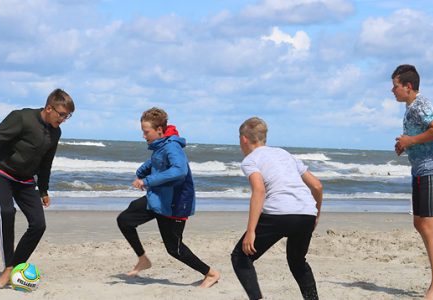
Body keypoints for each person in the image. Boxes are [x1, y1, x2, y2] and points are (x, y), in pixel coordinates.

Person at [0, 88, 75, 288]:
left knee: (39, 225)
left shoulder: (56, 132)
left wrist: (44, 190)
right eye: (62, 114)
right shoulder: (22, 118)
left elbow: (46, 162)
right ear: (49, 108)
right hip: (1, 173)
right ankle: (8, 267)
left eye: (68, 116)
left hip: (26, 180)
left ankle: (15, 267)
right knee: (7, 211)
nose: (64, 119)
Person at [116, 107, 220, 288]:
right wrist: (141, 172)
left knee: (175, 249)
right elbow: (157, 161)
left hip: (174, 203)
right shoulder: (161, 145)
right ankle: (143, 259)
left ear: (159, 130)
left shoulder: (172, 146)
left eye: (146, 132)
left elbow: (180, 170)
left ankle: (211, 273)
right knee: (125, 220)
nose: (143, 135)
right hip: (158, 198)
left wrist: (147, 180)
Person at [231, 117, 323, 300]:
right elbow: (317, 186)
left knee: (240, 257)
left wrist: (251, 231)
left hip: (279, 214)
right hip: (306, 213)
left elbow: (259, 190)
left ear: (243, 139)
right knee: (298, 262)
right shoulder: (285, 154)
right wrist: (315, 216)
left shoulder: (250, 160)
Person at [392, 64, 433, 300]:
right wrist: (404, 144)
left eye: (395, 86)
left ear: (408, 86)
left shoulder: (421, 104)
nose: (392, 90)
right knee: (420, 223)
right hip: (421, 170)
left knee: (428, 226)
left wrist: (411, 140)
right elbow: (419, 137)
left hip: (432, 170)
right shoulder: (410, 108)